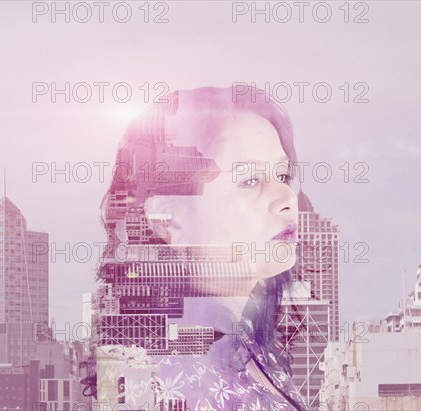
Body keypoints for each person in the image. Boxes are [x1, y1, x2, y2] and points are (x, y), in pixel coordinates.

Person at [85, 85, 308, 410]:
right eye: (249, 181)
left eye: (283, 175)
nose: (287, 199)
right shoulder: (172, 370)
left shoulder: (244, 344)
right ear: (168, 219)